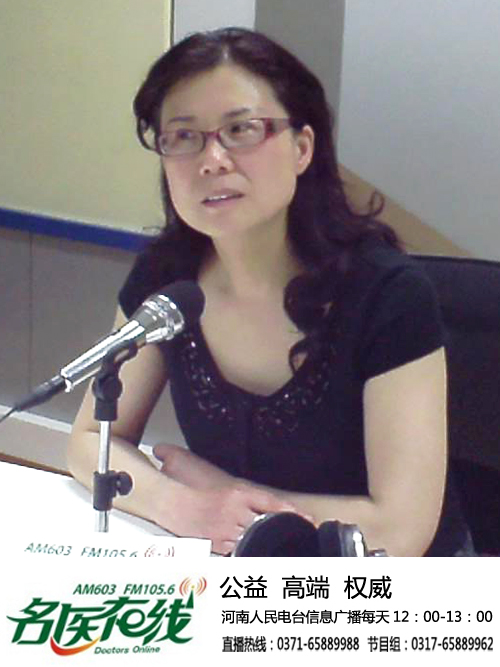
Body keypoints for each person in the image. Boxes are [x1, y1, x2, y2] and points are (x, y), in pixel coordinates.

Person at [68, 27, 470, 556]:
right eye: (183, 136)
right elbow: (89, 443)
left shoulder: (388, 295)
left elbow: (401, 531)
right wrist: (180, 503)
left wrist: (222, 493)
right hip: (242, 570)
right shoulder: (167, 277)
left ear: (302, 148)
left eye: (241, 129)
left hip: (389, 588)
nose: (212, 160)